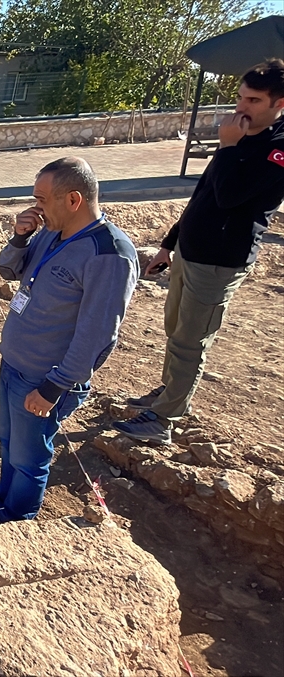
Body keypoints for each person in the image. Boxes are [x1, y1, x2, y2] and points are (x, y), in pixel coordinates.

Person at [0, 158, 138, 524]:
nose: (35, 207)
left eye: (41, 199)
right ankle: (0, 505)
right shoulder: (51, 232)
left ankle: (16, 521)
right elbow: (9, 270)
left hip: (44, 379)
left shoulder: (109, 254)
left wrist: (54, 388)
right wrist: (20, 237)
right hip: (15, 365)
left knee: (29, 458)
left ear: (73, 199)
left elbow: (97, 336)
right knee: (10, 444)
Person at [115, 59, 284, 445]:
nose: (241, 107)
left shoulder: (276, 149)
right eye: (240, 97)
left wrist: (228, 147)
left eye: (253, 100)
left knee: (191, 340)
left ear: (280, 103)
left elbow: (229, 197)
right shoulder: (239, 138)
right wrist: (169, 244)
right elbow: (203, 195)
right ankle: (169, 393)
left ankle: (163, 420)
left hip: (220, 260)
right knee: (175, 329)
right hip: (191, 250)